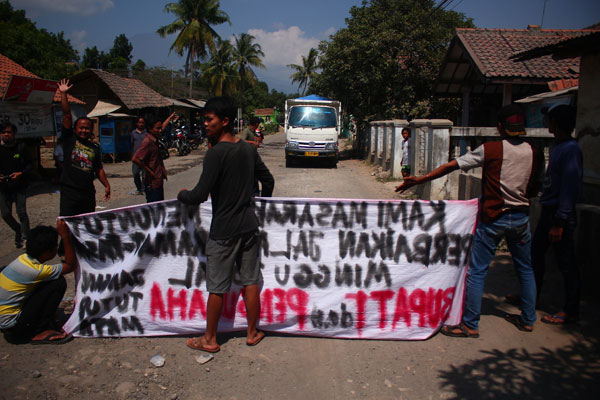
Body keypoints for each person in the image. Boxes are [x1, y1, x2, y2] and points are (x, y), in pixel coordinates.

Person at [396, 104, 543, 337]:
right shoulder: (534, 151)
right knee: (525, 269)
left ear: (500, 127)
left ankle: (470, 324)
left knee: (477, 271)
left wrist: (421, 179)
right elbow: (535, 188)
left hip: (494, 218)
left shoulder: (491, 149)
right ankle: (528, 318)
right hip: (521, 218)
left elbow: (451, 166)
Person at [178, 96, 275, 353]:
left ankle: (209, 339)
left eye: (209, 119)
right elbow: (269, 181)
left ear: (225, 121)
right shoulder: (248, 149)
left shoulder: (215, 154)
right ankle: (252, 332)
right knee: (251, 280)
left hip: (223, 231)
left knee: (217, 287)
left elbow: (199, 195)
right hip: (249, 228)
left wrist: (182, 194)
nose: (205, 124)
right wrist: (258, 203)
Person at [534, 104, 582, 325]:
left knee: (566, 263)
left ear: (556, 123)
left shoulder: (570, 149)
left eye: (550, 120)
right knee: (535, 255)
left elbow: (569, 188)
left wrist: (560, 222)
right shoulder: (559, 147)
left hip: (558, 216)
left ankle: (571, 310)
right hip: (549, 212)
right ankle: (531, 296)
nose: (547, 124)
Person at [0, 220, 77, 344]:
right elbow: (70, 265)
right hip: (14, 327)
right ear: (48, 252)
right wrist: (65, 236)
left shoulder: (22, 260)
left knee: (46, 282)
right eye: (55, 248)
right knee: (58, 283)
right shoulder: (34, 271)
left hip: (5, 322)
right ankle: (39, 332)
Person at [58, 79, 111, 217]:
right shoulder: (69, 140)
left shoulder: (94, 148)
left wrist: (106, 185)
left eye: (87, 128)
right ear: (75, 129)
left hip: (87, 193)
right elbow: (67, 116)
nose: (84, 131)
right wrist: (63, 94)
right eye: (81, 128)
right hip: (70, 192)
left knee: (86, 224)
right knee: (67, 223)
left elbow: (98, 168)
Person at [132, 112, 177, 203]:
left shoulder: (154, 137)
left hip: (158, 180)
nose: (160, 130)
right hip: (152, 184)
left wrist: (169, 118)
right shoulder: (148, 141)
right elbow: (135, 158)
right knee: (155, 208)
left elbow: (162, 127)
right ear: (150, 128)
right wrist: (148, 170)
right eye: (158, 128)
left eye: (160, 128)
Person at [0, 122, 32, 248]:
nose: (6, 134)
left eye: (9, 132)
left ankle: (25, 238)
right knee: (5, 214)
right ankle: (18, 230)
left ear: (14, 134)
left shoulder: (21, 147)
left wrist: (21, 173)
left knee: (22, 213)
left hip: (19, 186)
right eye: (4, 132)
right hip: (3, 187)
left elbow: (30, 165)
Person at [130, 117, 147, 195]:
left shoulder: (146, 133)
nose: (141, 124)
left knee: (145, 175)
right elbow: (131, 144)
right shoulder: (133, 133)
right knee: (135, 174)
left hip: (145, 157)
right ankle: (139, 188)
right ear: (137, 123)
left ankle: (143, 189)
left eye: (142, 122)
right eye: (139, 122)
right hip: (136, 158)